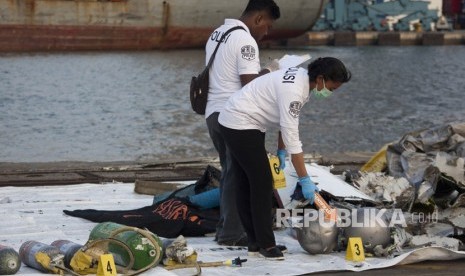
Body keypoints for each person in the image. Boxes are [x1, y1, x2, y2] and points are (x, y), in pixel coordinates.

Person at [218, 57, 351, 260]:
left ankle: (255, 243)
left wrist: (280, 150)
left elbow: (285, 121)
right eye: (331, 89)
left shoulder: (301, 78)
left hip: (246, 121)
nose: (330, 93)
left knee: (247, 182)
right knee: (262, 183)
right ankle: (266, 245)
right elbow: (293, 139)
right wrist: (304, 179)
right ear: (321, 78)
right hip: (239, 122)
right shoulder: (295, 91)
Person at [205, 0, 281, 246]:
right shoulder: (246, 41)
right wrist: (271, 71)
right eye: (267, 26)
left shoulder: (218, 33)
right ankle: (232, 234)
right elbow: (251, 84)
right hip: (233, 116)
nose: (265, 32)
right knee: (241, 176)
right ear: (258, 19)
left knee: (230, 171)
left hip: (212, 113)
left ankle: (225, 228)